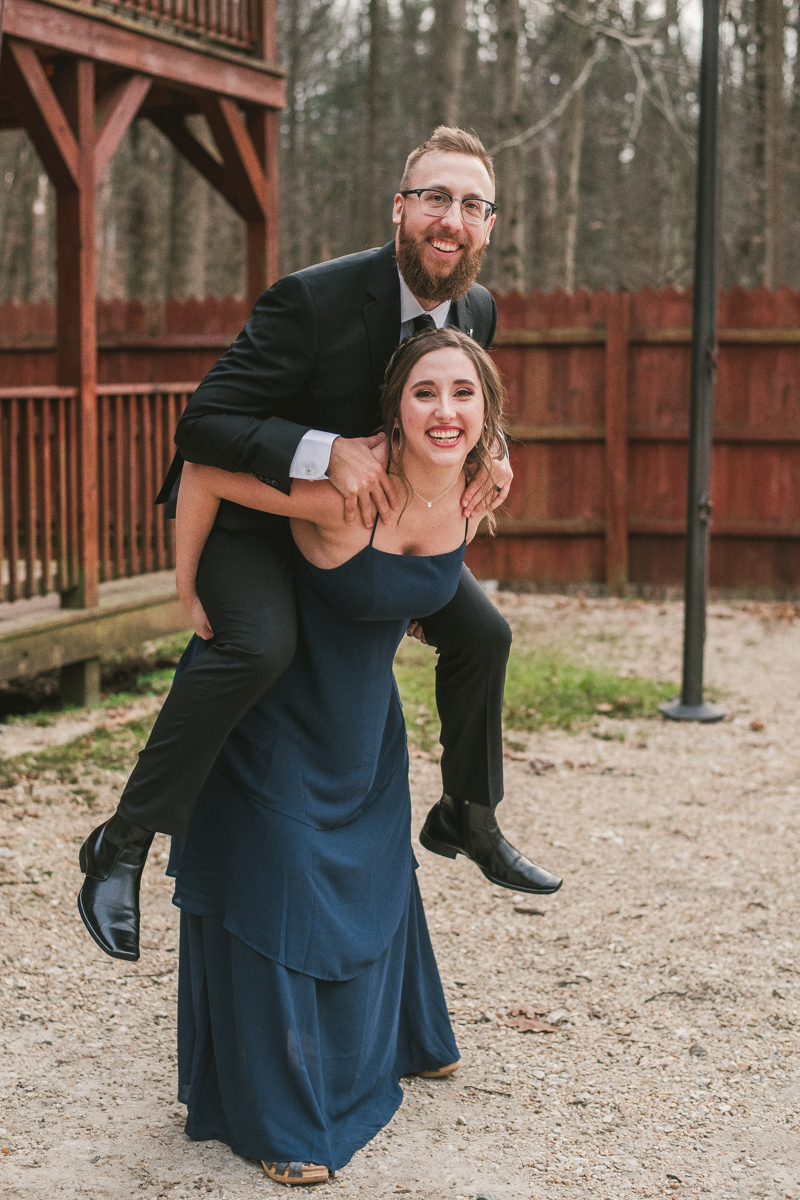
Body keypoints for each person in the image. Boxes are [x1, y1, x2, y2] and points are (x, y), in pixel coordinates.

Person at [78, 127, 561, 966]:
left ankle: (467, 814)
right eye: (436, 199)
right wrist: (323, 449)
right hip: (255, 518)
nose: (453, 220)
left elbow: (457, 416)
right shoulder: (312, 300)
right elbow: (203, 427)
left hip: (369, 534)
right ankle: (121, 844)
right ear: (402, 208)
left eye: (472, 206)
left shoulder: (475, 309)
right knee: (261, 644)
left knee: (484, 633)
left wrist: (497, 459)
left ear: (490, 225)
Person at [170, 329, 553, 1184]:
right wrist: (189, 585)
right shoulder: (347, 497)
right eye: (424, 393)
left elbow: (423, 596)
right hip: (273, 721)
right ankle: (280, 1120)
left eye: (463, 393)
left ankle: (411, 1037)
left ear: (488, 410)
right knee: (281, 891)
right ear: (392, 408)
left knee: (377, 877)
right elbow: (201, 469)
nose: (445, 411)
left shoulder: (474, 491)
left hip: (363, 725)